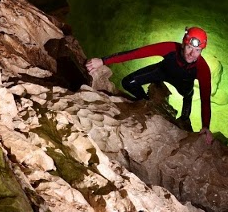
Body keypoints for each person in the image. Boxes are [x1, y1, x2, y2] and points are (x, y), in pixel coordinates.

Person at [86, 27, 214, 145]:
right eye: (189, 47)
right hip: (161, 72)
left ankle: (188, 97)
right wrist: (103, 61)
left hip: (184, 85)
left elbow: (205, 99)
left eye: (197, 50)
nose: (192, 54)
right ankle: (147, 102)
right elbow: (136, 53)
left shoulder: (202, 68)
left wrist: (206, 126)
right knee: (128, 82)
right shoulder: (170, 48)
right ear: (183, 44)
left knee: (185, 114)